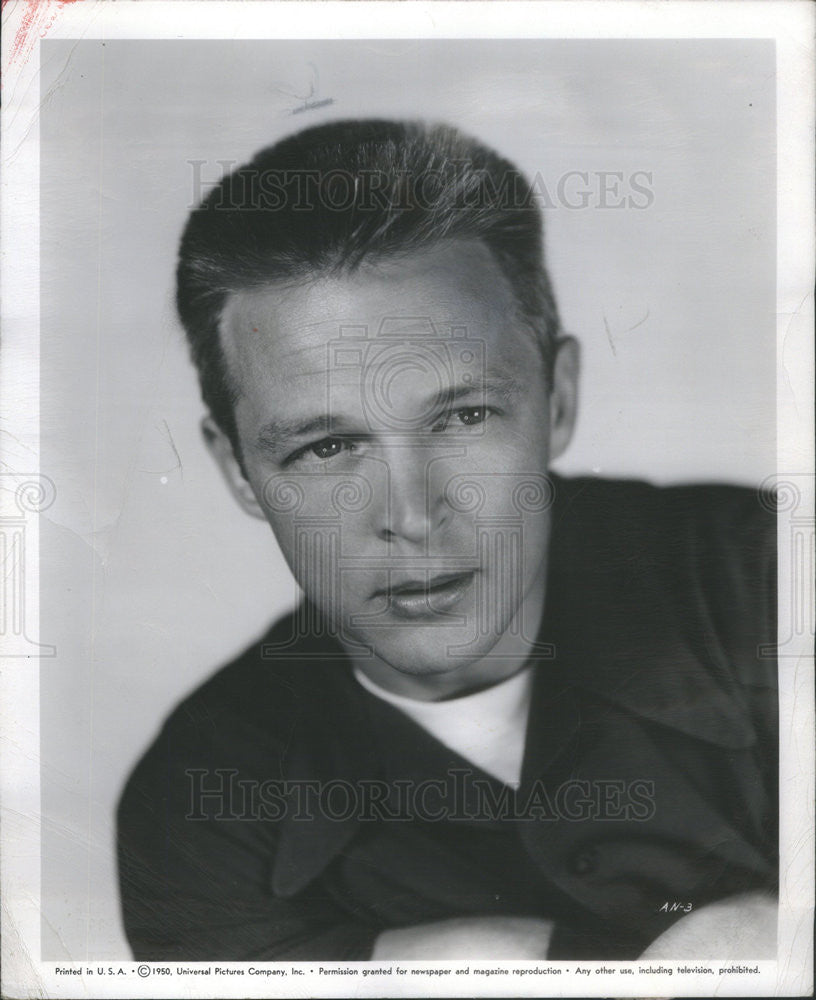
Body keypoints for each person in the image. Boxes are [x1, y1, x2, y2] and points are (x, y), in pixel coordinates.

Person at [117, 119, 778, 961]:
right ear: (241, 471)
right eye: (327, 447)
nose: (415, 514)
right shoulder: (196, 815)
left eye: (464, 417)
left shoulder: (770, 581)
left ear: (559, 400)